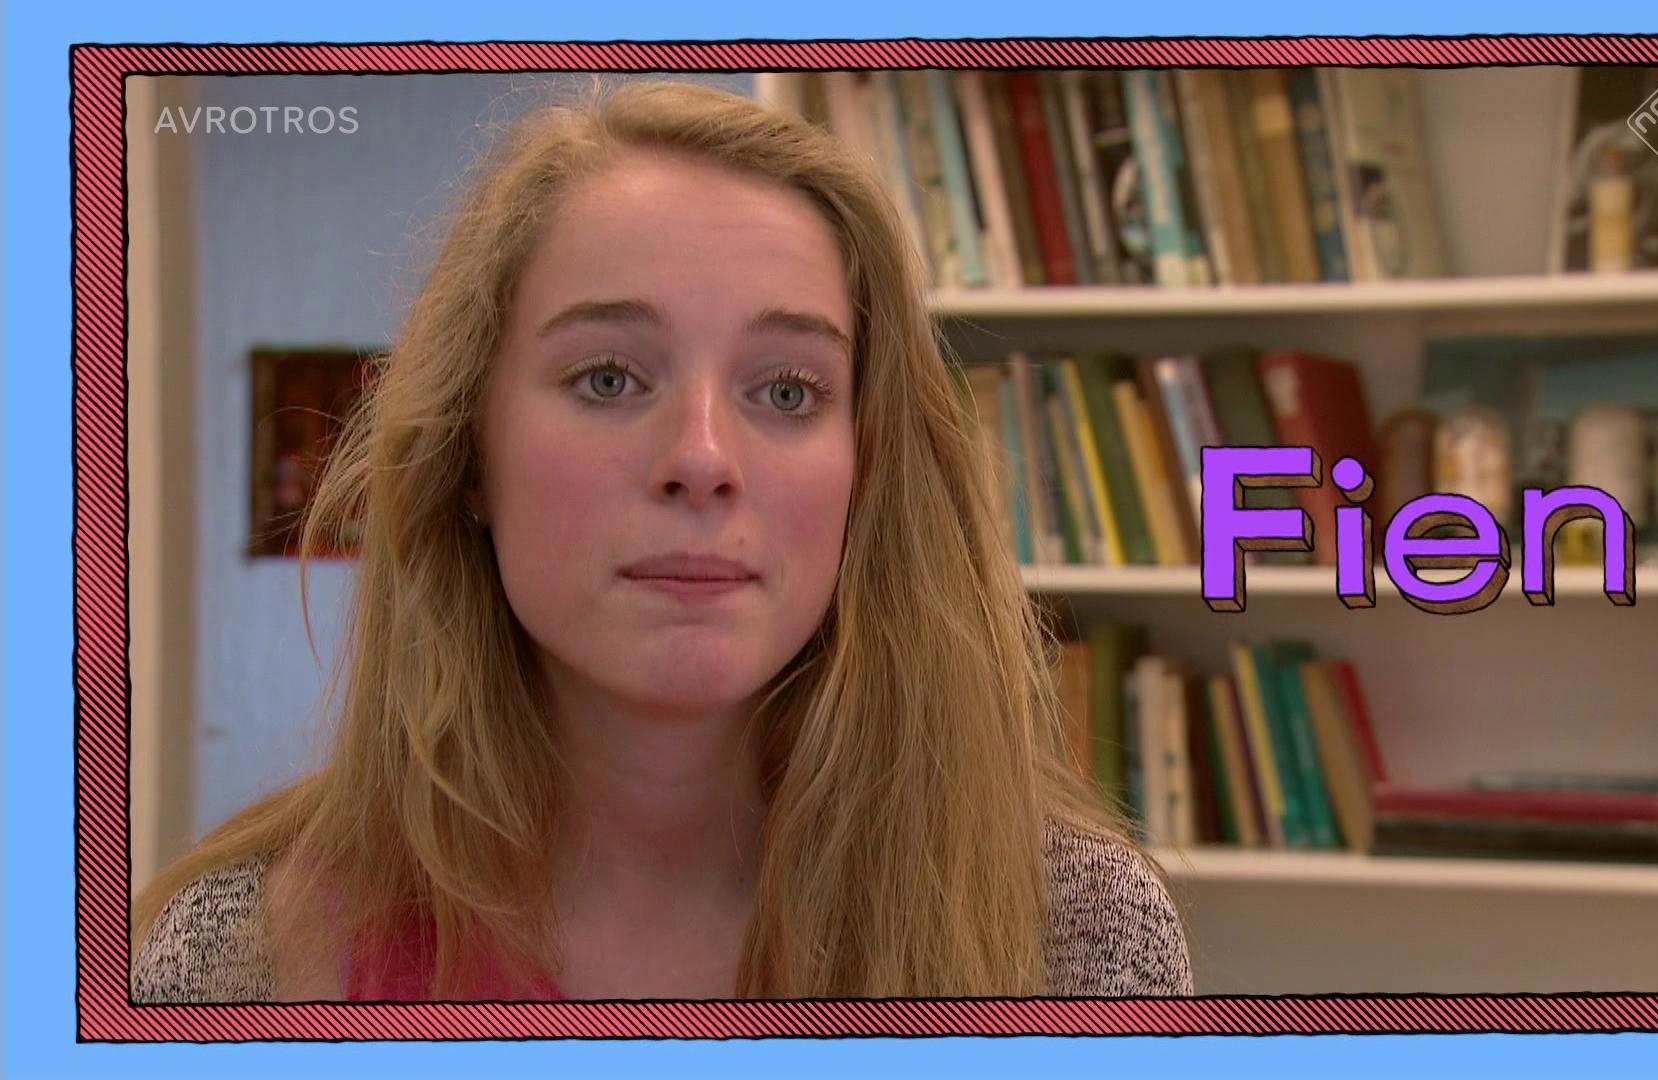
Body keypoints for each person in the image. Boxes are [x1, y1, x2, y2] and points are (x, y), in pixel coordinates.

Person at [129, 77, 1194, 1002]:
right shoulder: (243, 952)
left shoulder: (1073, 934)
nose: (702, 456)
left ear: (866, 470)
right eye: (609, 378)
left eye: (788, 390)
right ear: (470, 455)